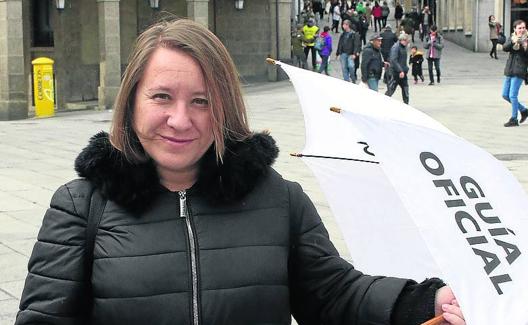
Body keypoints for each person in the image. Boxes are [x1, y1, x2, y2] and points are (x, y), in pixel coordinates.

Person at [15, 18, 466, 325]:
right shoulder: (80, 206)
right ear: (132, 101)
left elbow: (334, 295)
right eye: (160, 97)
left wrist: (424, 301)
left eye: (201, 101)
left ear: (224, 108)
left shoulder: (278, 199)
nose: (180, 119)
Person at [501, 19, 528, 127]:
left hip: (520, 71)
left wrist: (525, 46)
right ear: (515, 29)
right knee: (505, 95)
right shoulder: (512, 38)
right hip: (509, 70)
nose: (522, 30)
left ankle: (514, 119)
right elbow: (504, 48)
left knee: (513, 96)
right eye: (519, 28)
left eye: (523, 27)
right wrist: (513, 42)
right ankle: (524, 111)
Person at [385, 32, 410, 104]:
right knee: (391, 89)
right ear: (402, 40)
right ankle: (384, 102)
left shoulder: (403, 47)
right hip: (396, 72)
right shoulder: (396, 47)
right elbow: (393, 60)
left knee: (405, 89)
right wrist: (400, 70)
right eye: (406, 41)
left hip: (403, 72)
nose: (407, 42)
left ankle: (406, 104)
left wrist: (405, 69)